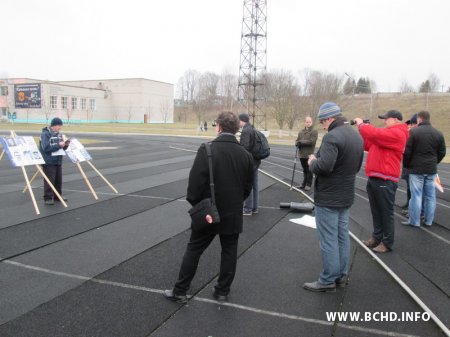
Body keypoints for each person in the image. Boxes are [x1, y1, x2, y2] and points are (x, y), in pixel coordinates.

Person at [163, 111, 254, 304]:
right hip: (233, 212)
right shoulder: (246, 155)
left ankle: (180, 290)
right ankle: (222, 291)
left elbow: (194, 187)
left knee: (194, 249)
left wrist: (199, 206)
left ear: (219, 126)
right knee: (229, 252)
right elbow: (247, 188)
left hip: (209, 211)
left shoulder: (207, 149)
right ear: (237, 129)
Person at [303, 102, 363, 292]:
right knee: (342, 237)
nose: (322, 125)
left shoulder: (332, 137)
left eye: (322, 121)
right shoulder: (356, 136)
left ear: (330, 119)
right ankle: (341, 276)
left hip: (328, 197)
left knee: (328, 239)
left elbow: (323, 167)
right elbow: (357, 166)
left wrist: (313, 162)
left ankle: (328, 279)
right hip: (345, 196)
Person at [354, 110, 408, 253]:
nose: (384, 121)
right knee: (376, 211)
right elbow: (368, 143)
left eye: (386, 119)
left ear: (396, 120)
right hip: (375, 178)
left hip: (385, 179)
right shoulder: (386, 136)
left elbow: (375, 134)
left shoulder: (398, 133)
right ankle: (377, 237)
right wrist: (363, 129)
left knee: (385, 212)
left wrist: (363, 126)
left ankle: (387, 242)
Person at [402, 111, 446, 227]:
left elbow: (407, 152)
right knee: (430, 196)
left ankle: (414, 221)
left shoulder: (413, 132)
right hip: (431, 169)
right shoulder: (438, 133)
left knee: (416, 195)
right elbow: (442, 152)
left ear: (419, 119)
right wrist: (434, 162)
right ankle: (428, 221)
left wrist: (407, 165)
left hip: (416, 170)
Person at [39, 117, 69, 205]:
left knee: (58, 180)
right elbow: (46, 148)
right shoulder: (45, 134)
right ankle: (48, 198)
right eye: (59, 125)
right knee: (49, 180)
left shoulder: (59, 134)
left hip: (58, 160)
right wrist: (59, 145)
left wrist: (65, 145)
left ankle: (57, 196)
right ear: (54, 125)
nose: (60, 127)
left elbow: (60, 147)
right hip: (49, 161)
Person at [239, 113, 260, 216]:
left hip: (249, 162)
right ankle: (255, 207)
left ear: (242, 120)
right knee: (255, 185)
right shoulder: (252, 128)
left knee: (248, 185)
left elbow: (244, 148)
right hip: (255, 161)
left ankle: (248, 209)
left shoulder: (246, 130)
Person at [400, 113, 418, 214]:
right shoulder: (408, 134)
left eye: (411, 124)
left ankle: (412, 209)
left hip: (413, 166)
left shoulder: (414, 134)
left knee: (414, 189)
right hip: (408, 165)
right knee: (409, 186)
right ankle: (408, 203)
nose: (409, 126)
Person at [295, 116, 318, 191]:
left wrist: (301, 142)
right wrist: (297, 143)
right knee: (304, 170)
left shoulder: (314, 131)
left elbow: (311, 142)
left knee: (309, 170)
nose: (308, 123)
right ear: (305, 122)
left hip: (309, 154)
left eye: (309, 122)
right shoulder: (301, 132)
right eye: (307, 122)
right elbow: (297, 140)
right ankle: (303, 184)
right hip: (301, 154)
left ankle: (308, 184)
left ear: (312, 122)